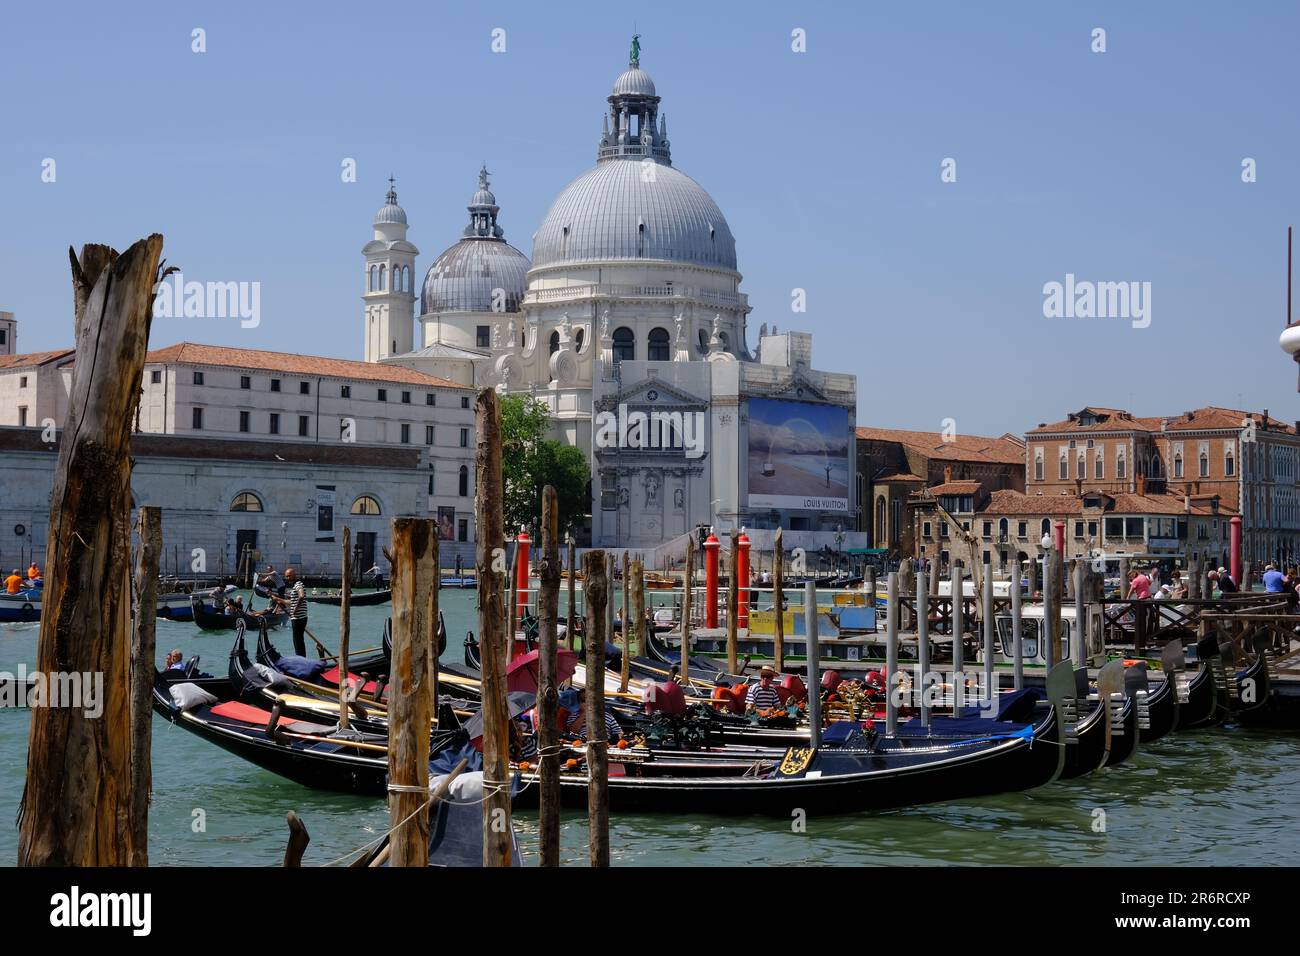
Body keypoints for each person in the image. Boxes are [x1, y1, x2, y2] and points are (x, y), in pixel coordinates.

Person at [274, 567, 309, 656]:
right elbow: (291, 602)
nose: (287, 578)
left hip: (298, 618)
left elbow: (301, 596)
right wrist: (277, 599)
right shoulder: (295, 586)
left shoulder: (298, 584)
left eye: (289, 576)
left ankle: (300, 660)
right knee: (298, 641)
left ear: (294, 575)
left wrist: (295, 610)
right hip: (299, 617)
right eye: (286, 576)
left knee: (297, 641)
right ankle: (301, 659)